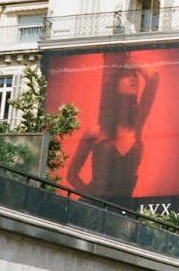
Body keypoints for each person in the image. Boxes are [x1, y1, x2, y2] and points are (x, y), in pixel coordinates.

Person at [67, 52, 159, 199]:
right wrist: (91, 200)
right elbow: (72, 175)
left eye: (134, 75)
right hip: (95, 206)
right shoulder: (96, 132)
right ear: (114, 83)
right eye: (125, 75)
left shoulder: (136, 128)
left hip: (125, 208)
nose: (133, 79)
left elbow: (153, 77)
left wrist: (132, 61)